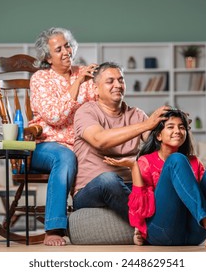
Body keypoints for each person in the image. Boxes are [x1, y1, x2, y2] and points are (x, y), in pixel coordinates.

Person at [104, 108, 206, 249]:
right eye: (170, 127)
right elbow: (140, 207)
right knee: (177, 160)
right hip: (163, 232)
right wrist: (139, 230)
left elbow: (204, 193)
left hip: (195, 235)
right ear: (158, 135)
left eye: (182, 127)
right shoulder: (146, 161)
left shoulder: (194, 162)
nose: (177, 131)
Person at [72, 61, 170, 221]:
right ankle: (149, 227)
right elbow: (99, 140)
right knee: (108, 179)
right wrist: (146, 125)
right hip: (91, 189)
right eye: (110, 81)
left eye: (121, 80)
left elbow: (156, 145)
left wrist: (174, 125)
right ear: (96, 88)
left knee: (163, 180)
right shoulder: (86, 111)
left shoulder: (136, 115)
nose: (117, 85)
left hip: (131, 185)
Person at [28, 27, 98, 246]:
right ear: (48, 57)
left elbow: (102, 107)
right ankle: (54, 228)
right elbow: (55, 116)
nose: (66, 51)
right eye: (58, 49)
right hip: (45, 146)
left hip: (79, 145)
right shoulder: (41, 79)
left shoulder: (84, 73)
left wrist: (104, 80)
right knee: (65, 157)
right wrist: (78, 84)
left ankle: (96, 225)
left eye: (67, 45)